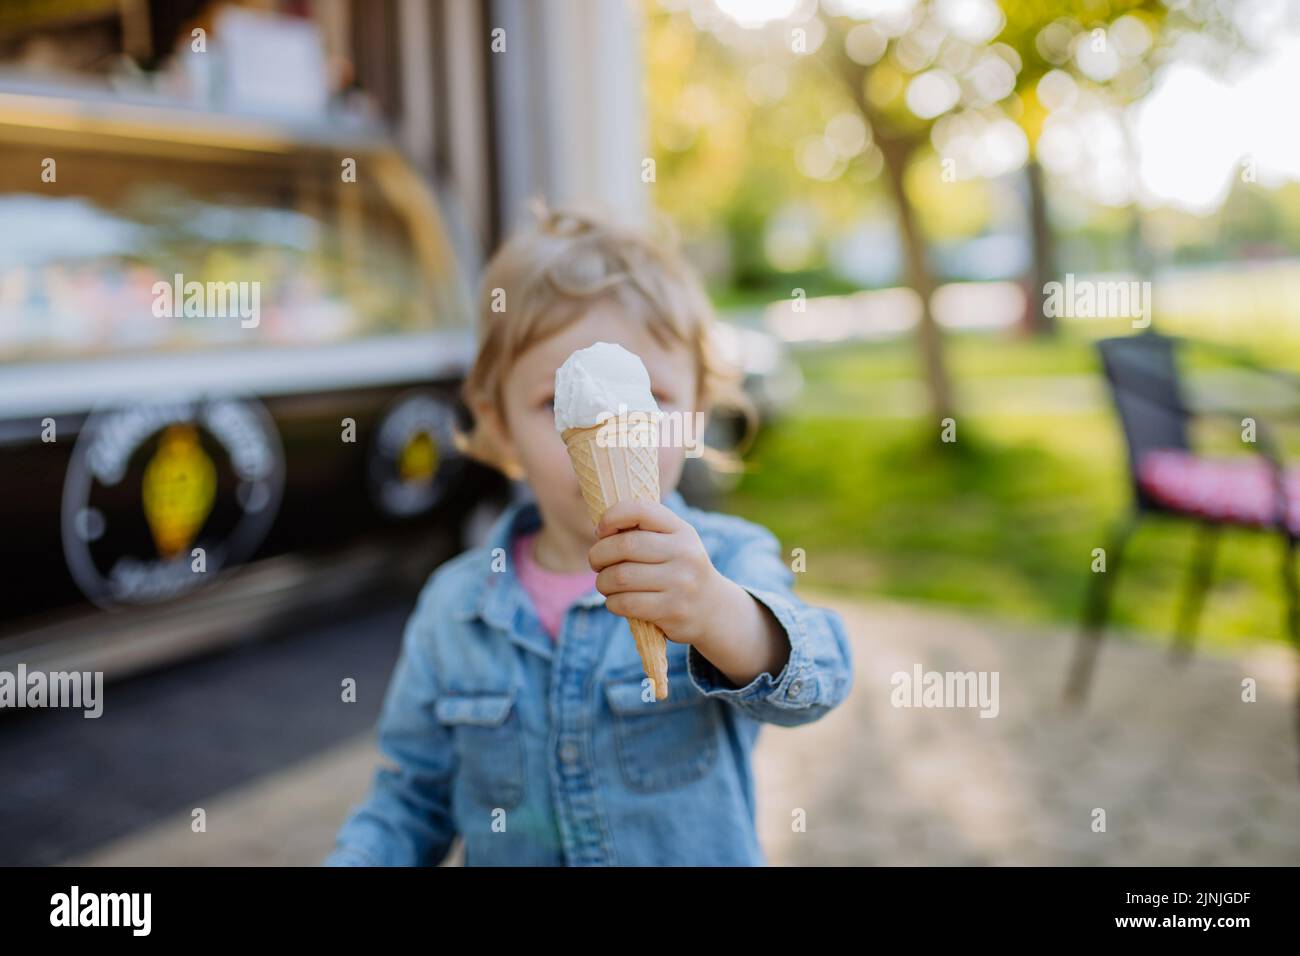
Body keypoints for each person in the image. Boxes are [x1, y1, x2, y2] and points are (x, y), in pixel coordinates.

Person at [324, 201, 853, 866]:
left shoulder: (728, 560)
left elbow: (819, 681)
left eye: (653, 398)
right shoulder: (453, 610)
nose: (612, 428)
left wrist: (721, 613)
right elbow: (412, 801)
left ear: (695, 416)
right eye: (558, 403)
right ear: (500, 423)